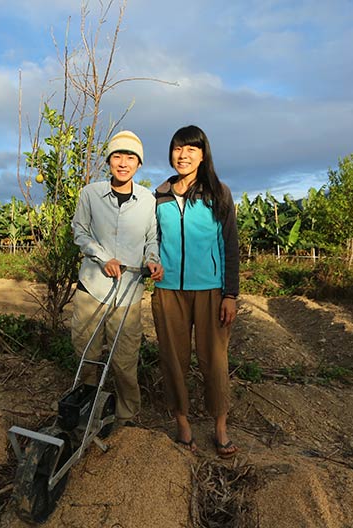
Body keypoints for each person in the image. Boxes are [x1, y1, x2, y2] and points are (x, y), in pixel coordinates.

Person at [151, 125, 239, 458]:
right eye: (178, 148)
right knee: (173, 359)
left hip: (211, 290)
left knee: (214, 359)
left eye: (191, 149)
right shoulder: (159, 195)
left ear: (203, 155)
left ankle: (220, 427)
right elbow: (152, 241)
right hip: (168, 289)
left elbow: (230, 245)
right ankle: (183, 424)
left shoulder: (218, 192)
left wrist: (230, 294)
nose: (183, 155)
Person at [71, 130, 164, 427]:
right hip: (92, 288)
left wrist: (152, 260)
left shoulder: (148, 200)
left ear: (139, 164)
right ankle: (84, 410)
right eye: (118, 156)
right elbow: (79, 231)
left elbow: (152, 239)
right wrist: (102, 257)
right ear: (109, 161)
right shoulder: (90, 194)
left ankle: (126, 416)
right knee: (86, 354)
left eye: (130, 158)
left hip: (129, 294)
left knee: (125, 360)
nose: (123, 163)